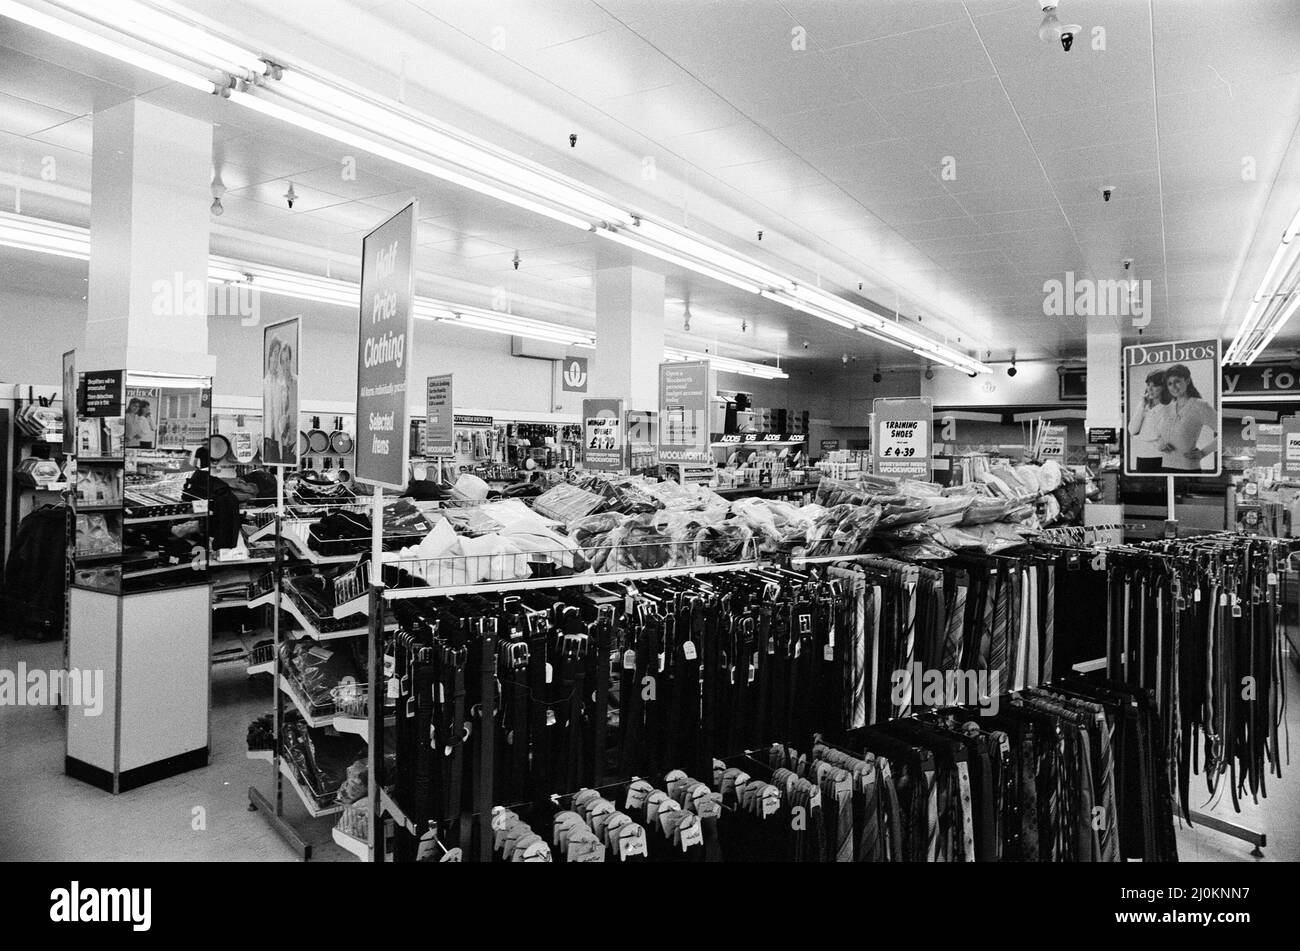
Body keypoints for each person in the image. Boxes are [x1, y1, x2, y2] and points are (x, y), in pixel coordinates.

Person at [1159, 364, 1217, 471]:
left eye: (1177, 381)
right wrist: (1161, 444)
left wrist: (1203, 453)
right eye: (1170, 383)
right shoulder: (1167, 408)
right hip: (1165, 468)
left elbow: (1223, 432)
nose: (1174, 387)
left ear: (1187, 381)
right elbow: (1160, 435)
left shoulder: (1200, 406)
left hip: (1188, 469)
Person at [1128, 369, 1170, 472]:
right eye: (1148, 385)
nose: (1149, 389)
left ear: (1164, 388)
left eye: (1155, 386)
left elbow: (1154, 434)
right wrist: (1142, 404)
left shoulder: (1168, 408)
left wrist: (1138, 438)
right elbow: (1132, 430)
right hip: (1142, 456)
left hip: (1160, 458)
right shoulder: (1144, 406)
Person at [262, 337, 283, 464]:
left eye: (279, 356)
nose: (276, 360)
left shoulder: (282, 385)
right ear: (269, 357)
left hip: (281, 441)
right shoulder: (264, 383)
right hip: (268, 440)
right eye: (274, 354)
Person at [277, 340, 298, 461]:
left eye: (287, 360)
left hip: (292, 431)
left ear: (291, 360)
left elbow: (294, 410)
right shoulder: (277, 382)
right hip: (280, 428)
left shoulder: (296, 381)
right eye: (283, 361)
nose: (285, 365)